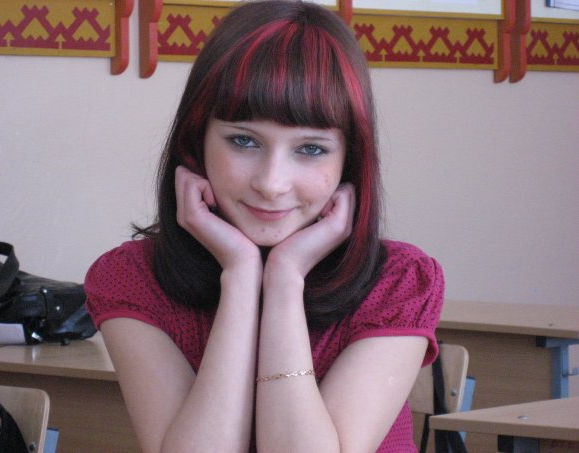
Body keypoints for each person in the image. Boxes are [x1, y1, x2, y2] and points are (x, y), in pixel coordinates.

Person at [85, 1, 444, 452]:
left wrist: (285, 279)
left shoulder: (399, 281)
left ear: (348, 162)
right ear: (196, 141)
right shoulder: (132, 279)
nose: (272, 184)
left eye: (310, 149)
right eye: (243, 140)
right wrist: (240, 276)